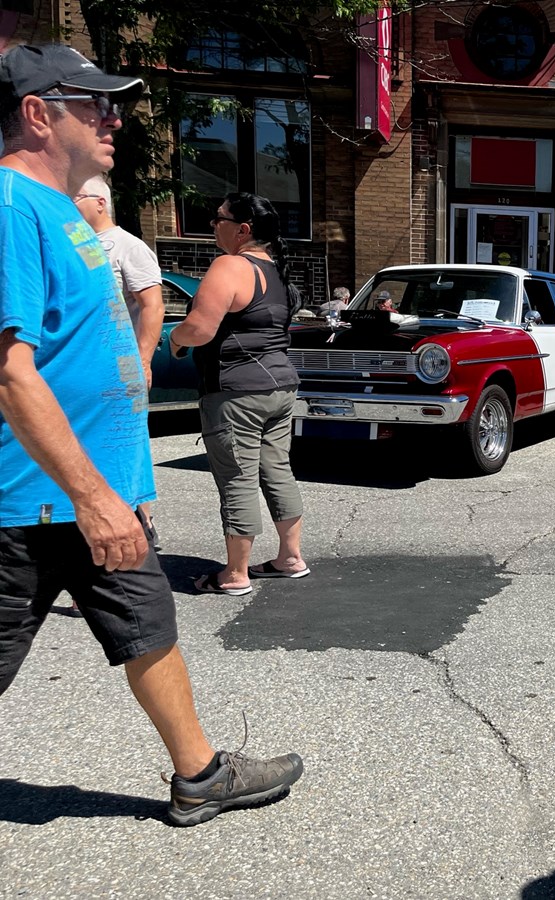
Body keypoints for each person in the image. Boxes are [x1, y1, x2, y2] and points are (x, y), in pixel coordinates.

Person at [0, 42, 302, 826]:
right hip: (35, 501)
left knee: (148, 627)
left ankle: (199, 774)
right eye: (92, 102)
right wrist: (93, 495)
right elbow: (10, 373)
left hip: (96, 492)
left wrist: (118, 489)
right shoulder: (7, 207)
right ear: (38, 114)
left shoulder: (63, 211)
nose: (114, 117)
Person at [168, 192, 310, 593]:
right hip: (280, 386)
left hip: (235, 392)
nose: (214, 225)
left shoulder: (230, 265)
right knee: (277, 471)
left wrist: (175, 342)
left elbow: (198, 328)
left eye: (219, 219)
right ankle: (290, 557)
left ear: (243, 229)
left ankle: (234, 575)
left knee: (238, 479)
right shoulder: (278, 270)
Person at [73, 174, 163, 558]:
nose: (67, 203)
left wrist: (142, 360)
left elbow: (152, 306)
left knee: (116, 454)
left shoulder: (129, 247)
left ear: (99, 202)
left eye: (74, 196)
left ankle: (133, 530)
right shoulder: (73, 242)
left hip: (117, 369)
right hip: (80, 369)